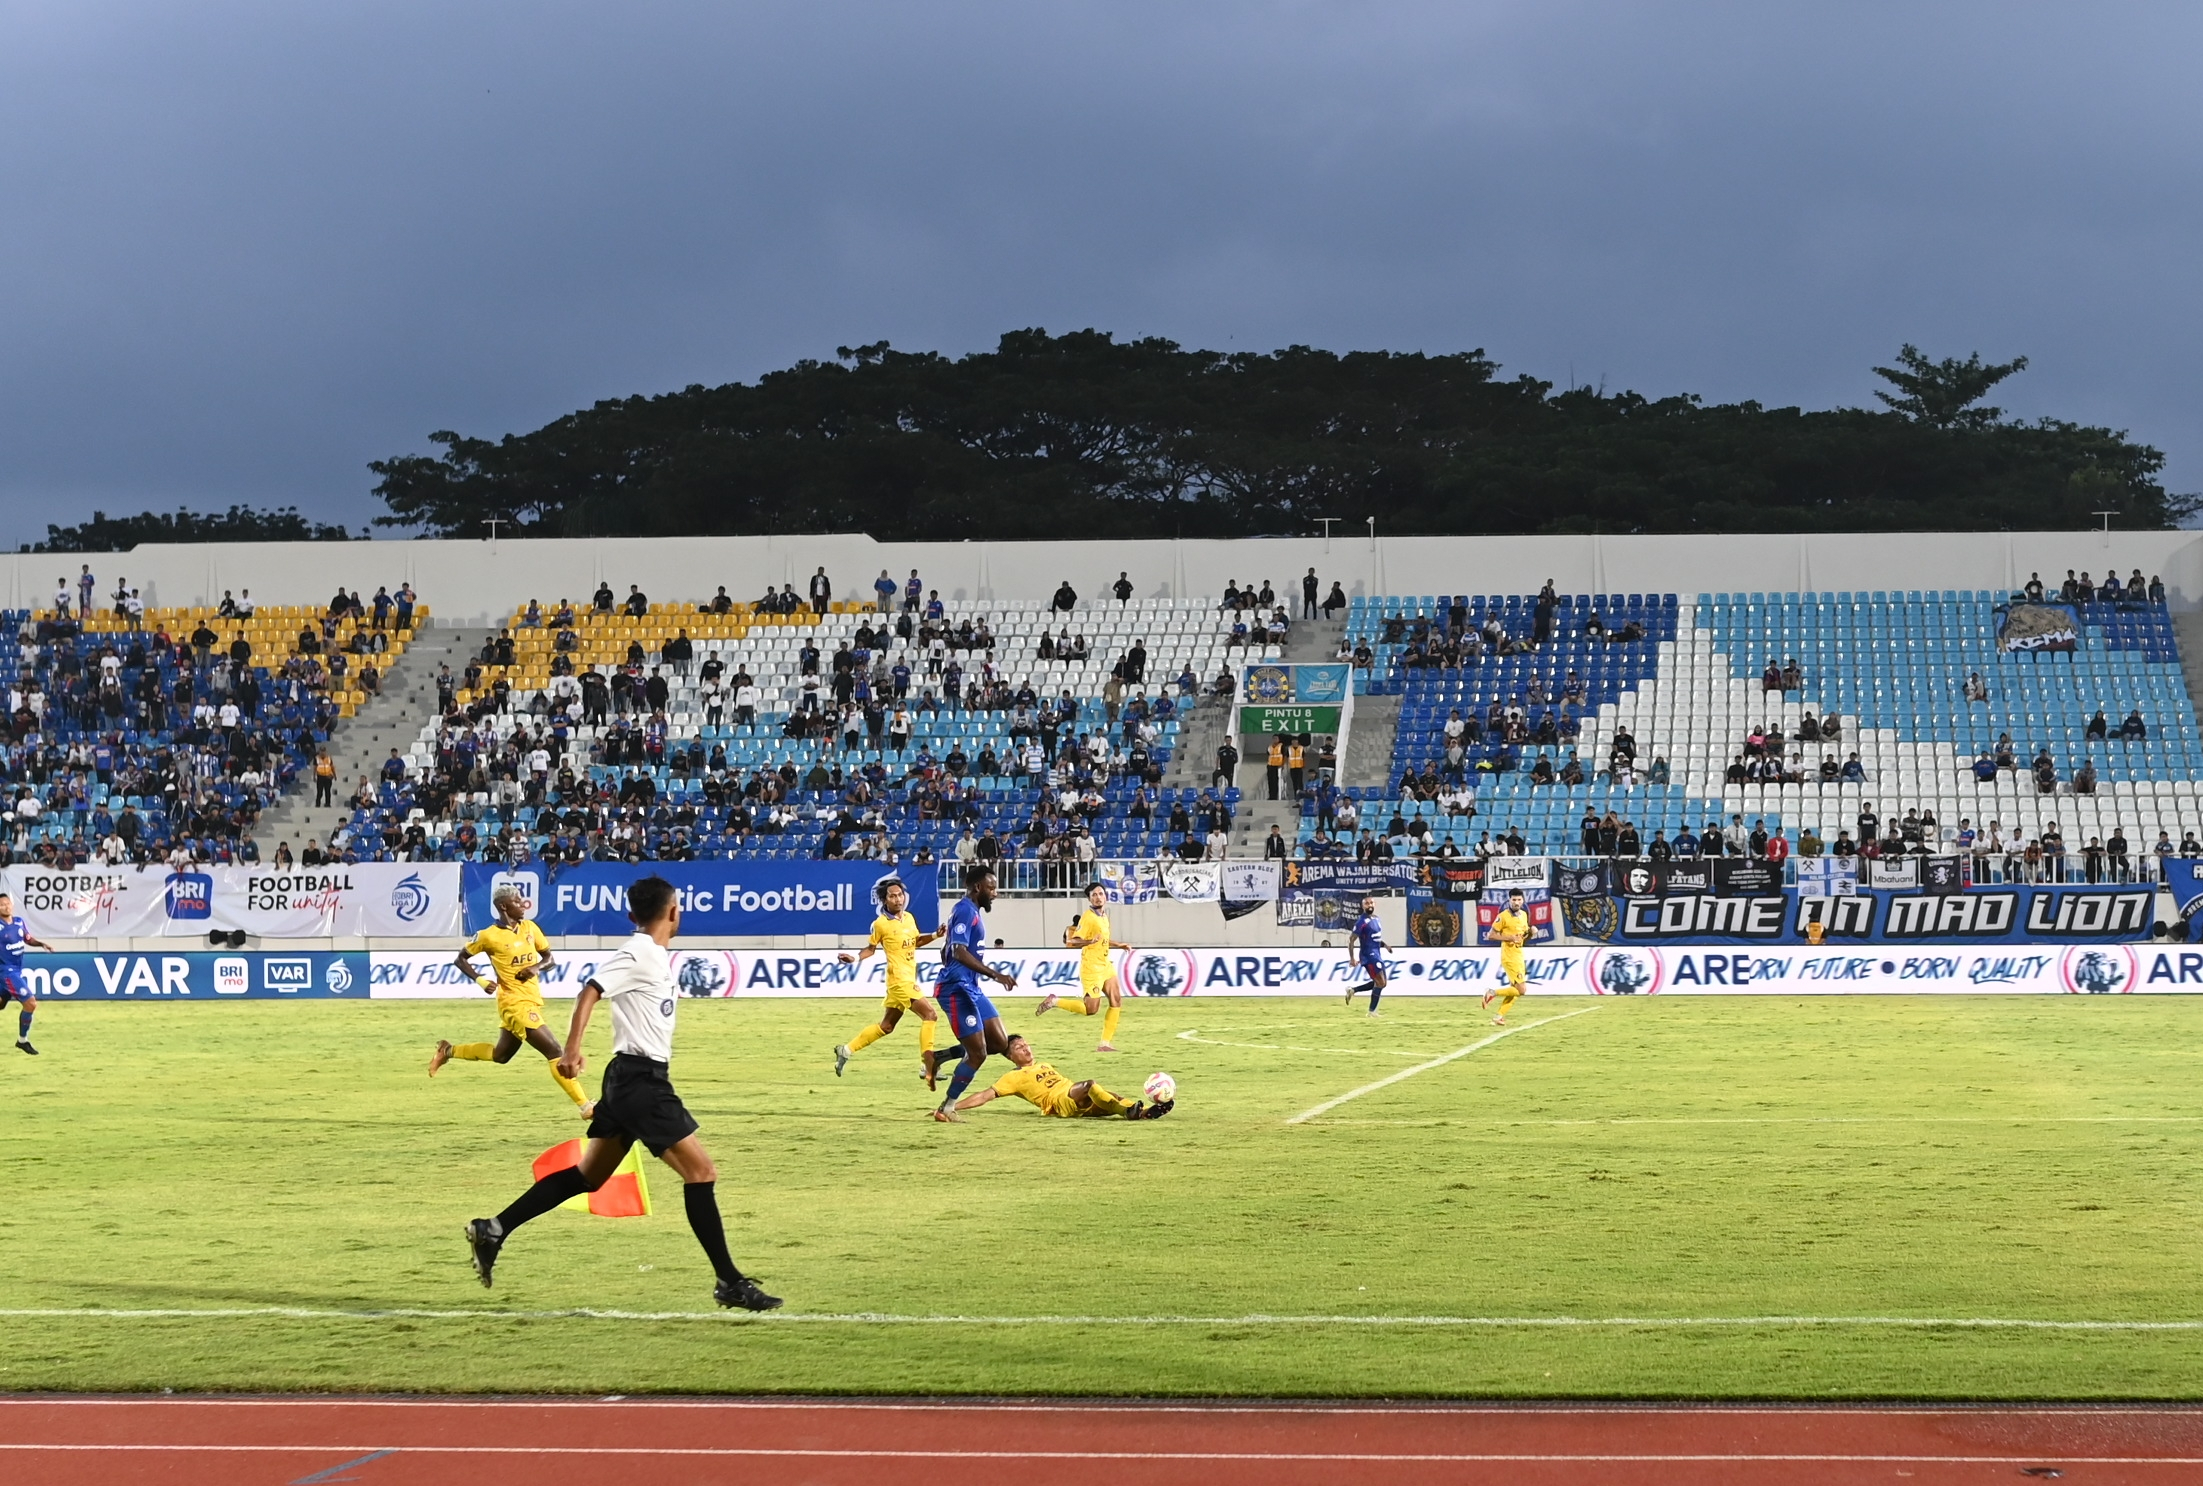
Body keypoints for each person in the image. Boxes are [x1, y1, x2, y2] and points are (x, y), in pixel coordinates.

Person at [462, 876, 780, 1312]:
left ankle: (493, 1228)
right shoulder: (639, 952)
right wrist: (571, 1050)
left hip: (630, 1079)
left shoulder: (651, 955)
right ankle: (729, 1282)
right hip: (640, 1082)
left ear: (633, 914)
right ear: (672, 912)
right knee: (701, 1173)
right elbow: (589, 991)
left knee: (587, 1177)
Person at [429, 886, 592, 1115]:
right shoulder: (488, 936)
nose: (523, 904)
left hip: (531, 1000)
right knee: (555, 1051)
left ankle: (447, 1050)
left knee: (501, 1055)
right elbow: (460, 959)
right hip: (513, 1004)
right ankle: (585, 1106)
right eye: (517, 901)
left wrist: (535, 967)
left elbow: (549, 958)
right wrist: (480, 980)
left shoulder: (530, 928)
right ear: (504, 906)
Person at [929, 868, 1022, 1122]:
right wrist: (996, 975)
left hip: (970, 986)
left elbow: (950, 949)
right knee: (978, 1053)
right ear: (978, 888)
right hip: (956, 989)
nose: (996, 893)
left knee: (999, 1042)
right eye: (992, 888)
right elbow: (958, 951)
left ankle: (939, 1057)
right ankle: (946, 1108)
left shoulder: (971, 912)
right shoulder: (964, 910)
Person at [833, 877, 946, 1078]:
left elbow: (915, 941)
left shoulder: (909, 918)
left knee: (886, 1026)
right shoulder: (880, 924)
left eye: (900, 895)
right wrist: (854, 958)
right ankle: (928, 1065)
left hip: (906, 980)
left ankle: (846, 1050)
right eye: (892, 896)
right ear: (885, 900)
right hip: (899, 981)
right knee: (931, 1015)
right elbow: (870, 949)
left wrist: (936, 935)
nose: (898, 899)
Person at [941, 1034, 1171, 1121]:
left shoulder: (1044, 1064)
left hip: (1072, 1093)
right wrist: (952, 1107)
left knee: (1110, 1096)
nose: (1026, 1048)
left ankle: (1142, 1113)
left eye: (1026, 1044)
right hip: (1058, 1102)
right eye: (1019, 1048)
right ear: (1011, 1057)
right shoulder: (1013, 1077)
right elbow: (984, 1096)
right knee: (1091, 1085)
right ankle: (1128, 1112)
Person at [1037, 882, 1135, 1050]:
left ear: (1105, 896)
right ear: (1090, 899)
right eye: (1094, 895)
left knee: (1116, 1000)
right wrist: (1090, 941)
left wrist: (1118, 944)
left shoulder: (1103, 916)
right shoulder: (1088, 917)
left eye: (1100, 894)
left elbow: (1102, 939)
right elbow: (1072, 941)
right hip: (1092, 968)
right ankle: (1054, 1001)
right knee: (1091, 1009)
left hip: (1105, 964)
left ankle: (1105, 1044)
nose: (1098, 897)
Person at [0, 894, 54, 1054]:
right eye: (2, 904)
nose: (5, 906)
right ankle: (22, 1041)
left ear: (12, 905)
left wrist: (41, 944)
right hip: (6, 972)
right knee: (30, 1003)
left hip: (16, 969)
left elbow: (27, 939)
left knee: (1, 1003)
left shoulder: (19, 922)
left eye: (7, 903)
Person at [1484, 887, 1531, 1025]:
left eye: (1519, 900)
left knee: (1514, 991)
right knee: (1521, 990)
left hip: (1519, 954)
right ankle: (1491, 992)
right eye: (1514, 900)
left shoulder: (1524, 915)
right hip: (1509, 956)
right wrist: (1510, 938)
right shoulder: (1503, 916)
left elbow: (1523, 937)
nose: (1516, 902)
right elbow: (1490, 935)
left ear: (1523, 900)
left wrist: (1532, 932)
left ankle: (1498, 1017)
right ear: (1509, 900)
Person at [1343, 895, 1388, 1016]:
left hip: (1377, 954)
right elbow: (1351, 940)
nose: (1370, 905)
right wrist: (1352, 958)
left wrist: (1386, 946)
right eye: (1367, 903)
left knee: (1382, 983)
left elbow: (1376, 938)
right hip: (1368, 955)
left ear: (1375, 904)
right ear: (1363, 906)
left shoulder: (1376, 919)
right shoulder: (1361, 922)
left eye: (1371, 903)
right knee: (1380, 982)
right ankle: (1372, 1012)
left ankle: (1353, 990)